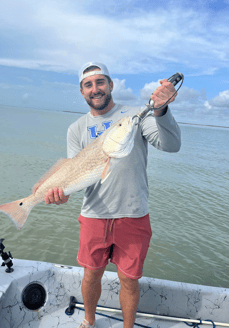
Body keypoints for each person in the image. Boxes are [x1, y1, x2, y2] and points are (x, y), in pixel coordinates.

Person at [44, 62, 181, 328]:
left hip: (133, 214)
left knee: (130, 279)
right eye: (88, 84)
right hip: (94, 215)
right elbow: (75, 173)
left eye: (100, 82)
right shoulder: (76, 128)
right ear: (82, 91)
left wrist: (162, 110)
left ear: (111, 85)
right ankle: (89, 320)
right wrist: (62, 194)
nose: (95, 89)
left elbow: (171, 145)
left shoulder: (134, 116)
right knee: (91, 275)